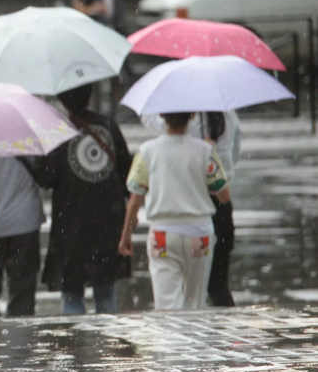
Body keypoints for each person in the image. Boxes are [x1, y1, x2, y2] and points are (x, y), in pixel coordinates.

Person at [32, 84, 132, 314]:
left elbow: (47, 178)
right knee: (106, 292)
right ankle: (108, 345)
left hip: (70, 224)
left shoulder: (57, 133)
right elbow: (128, 175)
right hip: (108, 221)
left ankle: (74, 343)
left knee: (71, 291)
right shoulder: (108, 127)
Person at [119, 112, 231, 310]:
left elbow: (135, 199)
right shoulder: (204, 150)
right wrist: (212, 155)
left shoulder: (147, 151)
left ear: (161, 115)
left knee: (166, 304)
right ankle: (193, 339)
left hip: (163, 235)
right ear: (192, 115)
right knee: (194, 302)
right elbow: (223, 196)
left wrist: (126, 233)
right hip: (199, 234)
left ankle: (170, 339)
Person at [0, 157, 44, 319]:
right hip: (25, 219)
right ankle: (20, 341)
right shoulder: (27, 135)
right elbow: (44, 175)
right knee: (23, 291)